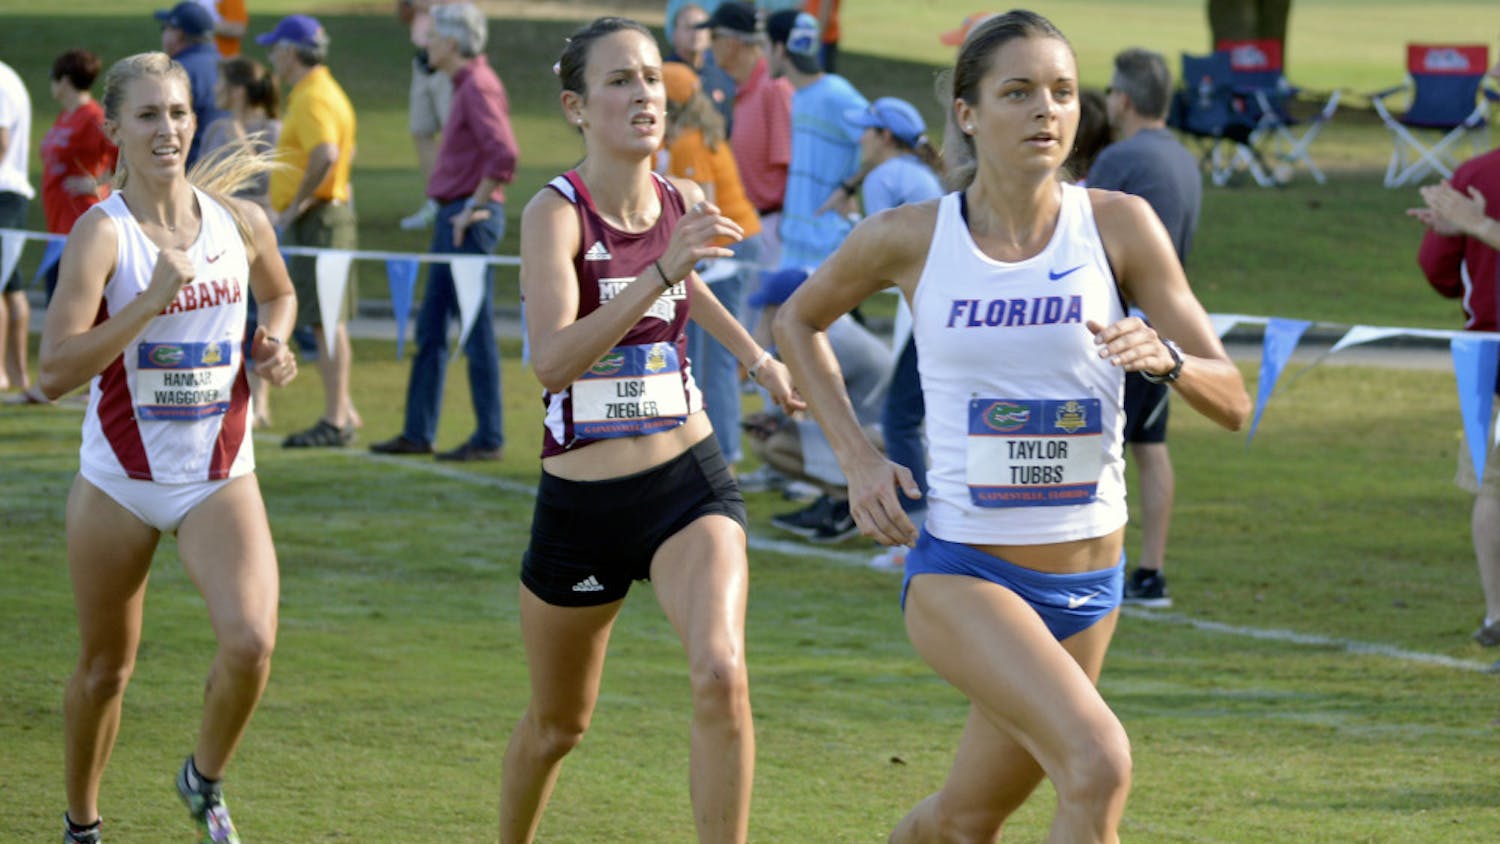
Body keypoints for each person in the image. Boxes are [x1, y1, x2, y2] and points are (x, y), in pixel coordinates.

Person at [773, 11, 1250, 841]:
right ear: (967, 112)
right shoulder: (910, 237)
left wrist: (1167, 359)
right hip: (965, 573)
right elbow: (797, 321)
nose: (1046, 111)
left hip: (1088, 583)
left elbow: (1234, 398)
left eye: (1063, 93)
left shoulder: (1118, 225)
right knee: (1098, 764)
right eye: (1019, 92)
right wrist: (857, 457)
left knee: (965, 820)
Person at [498, 18, 800, 844]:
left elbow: (691, 291)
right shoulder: (553, 216)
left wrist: (755, 358)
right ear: (577, 105)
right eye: (621, 81)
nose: (644, 96)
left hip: (685, 484)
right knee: (560, 726)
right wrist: (662, 268)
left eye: (652, 79)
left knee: (720, 670)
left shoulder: (683, 201)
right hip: (583, 506)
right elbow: (553, 361)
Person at [36, 50, 298, 844]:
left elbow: (279, 293)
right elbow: (52, 371)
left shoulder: (239, 222)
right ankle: (83, 824)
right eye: (147, 115)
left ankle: (203, 778)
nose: (167, 129)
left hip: (219, 473)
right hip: (120, 479)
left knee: (251, 643)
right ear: (114, 129)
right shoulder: (101, 235)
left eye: (179, 113)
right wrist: (149, 303)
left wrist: (273, 345)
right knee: (106, 669)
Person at [371, 2, 518, 462]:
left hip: (467, 221)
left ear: (452, 43)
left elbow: (505, 156)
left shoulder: (476, 86)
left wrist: (471, 207)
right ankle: (418, 431)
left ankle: (489, 436)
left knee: (474, 332)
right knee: (432, 327)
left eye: (433, 37)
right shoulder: (468, 83)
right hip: (455, 217)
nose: (427, 43)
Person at [1086, 48, 1203, 608]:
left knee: (1094, 448)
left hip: (1124, 335)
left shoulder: (1120, 160)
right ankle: (1149, 573)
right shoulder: (1184, 158)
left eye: (1110, 92)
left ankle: (1091, 567)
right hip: (1164, 332)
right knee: (1151, 449)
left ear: (1124, 99)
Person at [839, 96, 944, 566]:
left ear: (884, 138)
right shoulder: (921, 175)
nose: (859, 138)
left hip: (927, 312)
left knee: (900, 418)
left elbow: (874, 261)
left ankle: (916, 539)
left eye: (866, 130)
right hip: (945, 309)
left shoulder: (885, 178)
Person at [259, 14, 362, 448]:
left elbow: (327, 152)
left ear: (290, 52)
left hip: (320, 218)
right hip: (323, 214)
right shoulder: (319, 91)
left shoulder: (313, 95)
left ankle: (336, 418)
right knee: (325, 320)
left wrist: (297, 202)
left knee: (327, 321)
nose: (271, 59)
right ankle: (344, 410)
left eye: (275, 50)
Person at [1411, 160, 1500, 650]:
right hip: (1485, 354)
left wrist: (1476, 227)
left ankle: (1496, 612)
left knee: (1492, 491)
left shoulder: (1477, 174)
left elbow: (1438, 272)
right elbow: (1439, 264)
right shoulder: (1473, 175)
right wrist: (1456, 229)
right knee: (1490, 486)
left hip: (1486, 350)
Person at [661, 61, 762, 466]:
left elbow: (702, 207)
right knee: (708, 353)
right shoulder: (699, 134)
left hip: (726, 250)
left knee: (715, 355)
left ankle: (725, 451)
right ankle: (715, 445)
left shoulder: (690, 142)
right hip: (733, 244)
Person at [200, 56, 282, 429]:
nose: (213, 89)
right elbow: (199, 180)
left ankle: (260, 400)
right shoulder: (216, 128)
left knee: (258, 314)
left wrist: (239, 134)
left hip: (259, 233)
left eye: (220, 83)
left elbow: (268, 182)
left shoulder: (273, 129)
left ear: (236, 90)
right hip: (219, 231)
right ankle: (228, 396)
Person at [765, 9, 865, 271]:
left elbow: (885, 141)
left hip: (827, 249)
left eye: (765, 44)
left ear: (779, 49)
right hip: (795, 246)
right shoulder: (799, 97)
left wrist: (847, 188)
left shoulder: (836, 94)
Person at [700, 0, 793, 266]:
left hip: (772, 231)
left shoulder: (773, 89)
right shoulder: (745, 89)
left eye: (714, 36)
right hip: (751, 227)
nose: (709, 44)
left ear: (732, 43)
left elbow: (790, 167)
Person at [42, 50, 118, 243]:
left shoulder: (95, 118)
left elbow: (128, 157)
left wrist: (101, 186)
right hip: (57, 219)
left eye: (54, 78)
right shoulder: (66, 115)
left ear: (65, 82)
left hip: (80, 218)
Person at [395, 0, 458, 231]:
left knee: (453, 131)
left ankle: (458, 200)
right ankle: (437, 199)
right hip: (424, 55)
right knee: (421, 130)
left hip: (451, 54)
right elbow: (406, 14)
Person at [0, 56, 36, 402]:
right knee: (12, 287)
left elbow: (1, 141)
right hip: (11, 192)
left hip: (3, 192)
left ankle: (2, 373)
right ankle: (17, 371)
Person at [155, 2, 223, 168]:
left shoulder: (174, 73)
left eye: (165, 28)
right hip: (233, 170)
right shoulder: (230, 66)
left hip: (192, 173)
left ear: (177, 35)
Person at [665, 2, 736, 134]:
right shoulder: (663, 74)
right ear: (674, 34)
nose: (696, 33)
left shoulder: (722, 75)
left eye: (701, 27)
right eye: (688, 28)